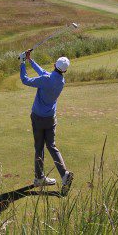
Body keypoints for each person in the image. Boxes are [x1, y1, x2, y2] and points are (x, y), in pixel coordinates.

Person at [19, 49, 73, 191]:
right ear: (64, 71)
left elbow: (25, 80)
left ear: (55, 64)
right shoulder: (61, 81)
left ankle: (39, 178)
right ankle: (64, 174)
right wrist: (30, 60)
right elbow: (43, 73)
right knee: (51, 146)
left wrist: (22, 63)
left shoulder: (47, 80)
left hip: (38, 117)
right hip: (50, 118)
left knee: (39, 147)